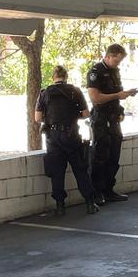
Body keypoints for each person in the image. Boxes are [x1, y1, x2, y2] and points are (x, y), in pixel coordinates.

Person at [35, 65, 99, 215]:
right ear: (66, 76)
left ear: (53, 77)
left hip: (53, 137)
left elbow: (37, 118)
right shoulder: (75, 91)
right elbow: (85, 114)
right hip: (71, 136)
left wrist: (51, 119)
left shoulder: (44, 93)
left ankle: (60, 207)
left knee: (57, 172)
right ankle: (90, 203)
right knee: (80, 170)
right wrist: (72, 116)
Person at [87, 43, 138, 206]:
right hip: (101, 119)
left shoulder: (115, 72)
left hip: (114, 118)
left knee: (114, 156)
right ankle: (96, 193)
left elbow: (116, 96)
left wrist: (122, 101)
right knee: (100, 156)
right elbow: (95, 98)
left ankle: (109, 189)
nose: (118, 64)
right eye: (117, 60)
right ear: (109, 56)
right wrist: (118, 95)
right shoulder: (96, 72)